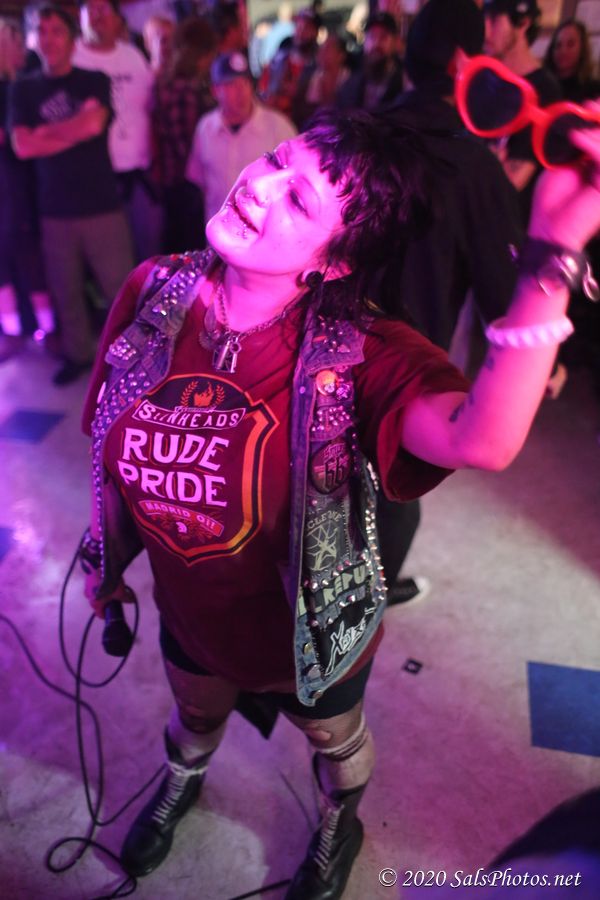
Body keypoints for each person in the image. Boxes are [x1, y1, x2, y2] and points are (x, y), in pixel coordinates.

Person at [80, 107, 600, 898]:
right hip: (188, 610)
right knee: (192, 717)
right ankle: (182, 780)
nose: (260, 187)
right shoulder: (154, 290)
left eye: (299, 200)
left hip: (311, 636)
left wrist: (551, 256)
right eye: (276, 162)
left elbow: (483, 439)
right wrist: (106, 558)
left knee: (334, 739)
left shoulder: (362, 352)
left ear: (335, 261)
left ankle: (336, 821)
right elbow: (106, 436)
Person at [377, 0, 524, 604]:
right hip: (403, 365)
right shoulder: (470, 162)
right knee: (393, 498)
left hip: (320, 345)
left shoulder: (360, 129)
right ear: (465, 62)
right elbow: (505, 299)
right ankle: (353, 616)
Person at [9, 4, 133, 385]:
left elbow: (94, 126)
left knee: (119, 289)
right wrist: (73, 127)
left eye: (57, 31)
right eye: (42, 31)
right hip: (53, 208)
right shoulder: (23, 88)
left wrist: (44, 132)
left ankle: (132, 360)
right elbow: (22, 146)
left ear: (72, 40)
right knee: (66, 292)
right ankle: (79, 355)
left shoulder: (93, 80)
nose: (49, 39)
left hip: (100, 203)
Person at [73, 0, 161, 262]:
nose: (98, 15)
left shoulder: (132, 56)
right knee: (109, 261)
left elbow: (151, 108)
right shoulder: (72, 57)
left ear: (117, 18)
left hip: (140, 176)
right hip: (94, 181)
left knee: (150, 256)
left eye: (104, 9)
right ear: (80, 16)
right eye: (91, 9)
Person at [186, 50, 295, 224]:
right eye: (231, 84)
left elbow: (294, 181)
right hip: (217, 232)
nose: (241, 91)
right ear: (215, 91)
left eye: (245, 82)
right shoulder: (205, 128)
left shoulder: (278, 126)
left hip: (262, 233)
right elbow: (199, 181)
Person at [0, 16, 55, 362]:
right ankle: (13, 331)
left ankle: (47, 331)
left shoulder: (23, 88)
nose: (21, 48)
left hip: (20, 187)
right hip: (8, 186)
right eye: (14, 41)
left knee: (30, 260)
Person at [483, 0, 561, 207]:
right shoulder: (483, 78)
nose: (485, 29)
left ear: (523, 22)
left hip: (506, 218)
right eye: (484, 18)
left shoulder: (545, 90)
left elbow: (512, 181)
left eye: (494, 19)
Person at [152, 15, 217, 253]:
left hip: (173, 184)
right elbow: (187, 148)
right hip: (185, 186)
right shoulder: (186, 89)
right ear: (201, 54)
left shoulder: (168, 81)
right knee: (190, 251)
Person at [258, 6, 320, 129]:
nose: (301, 32)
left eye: (307, 28)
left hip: (301, 128)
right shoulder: (278, 60)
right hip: (272, 125)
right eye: (298, 26)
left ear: (316, 32)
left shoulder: (318, 68)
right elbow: (263, 93)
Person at [336, 11, 404, 113]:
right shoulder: (350, 86)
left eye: (383, 37)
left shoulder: (404, 85)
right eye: (372, 36)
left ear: (394, 42)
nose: (376, 43)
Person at [544, 18, 600, 103]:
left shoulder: (594, 90)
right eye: (558, 45)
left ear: (582, 48)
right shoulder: (542, 84)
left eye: (570, 44)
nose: (563, 51)